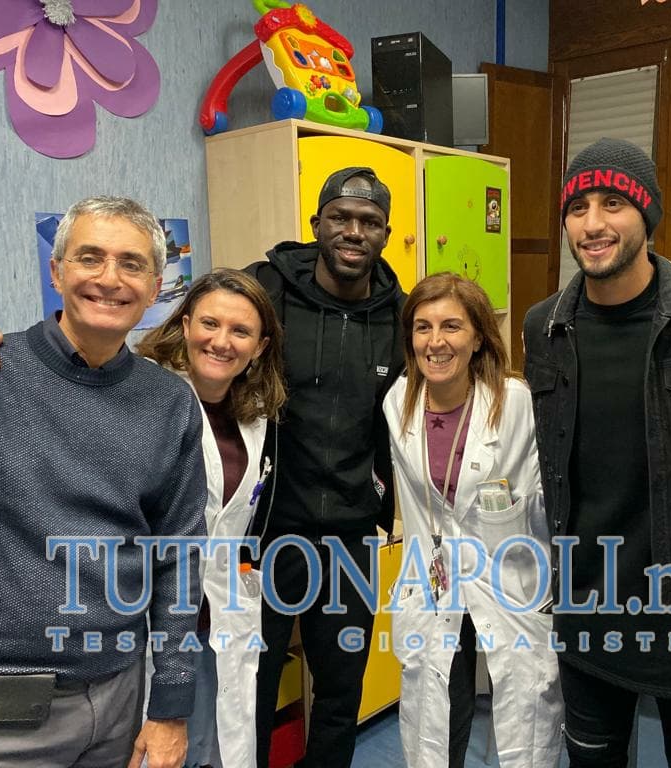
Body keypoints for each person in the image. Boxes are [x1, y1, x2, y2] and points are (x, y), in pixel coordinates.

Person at [0, 167, 406, 768]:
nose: (224, 340)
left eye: (241, 331)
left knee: (285, 704)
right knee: (221, 714)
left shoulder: (386, 324)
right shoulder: (11, 378)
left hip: (309, 553)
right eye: (90, 258)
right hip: (45, 659)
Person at [0, 196, 208, 768]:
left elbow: (179, 557)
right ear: (56, 271)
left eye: (132, 264)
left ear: (154, 286)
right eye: (89, 257)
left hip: (117, 696)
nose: (109, 279)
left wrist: (170, 706)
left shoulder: (169, 402)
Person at [523, 138, 671, 767]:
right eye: (578, 208)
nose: (592, 224)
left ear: (647, 214)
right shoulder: (544, 327)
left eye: (613, 204)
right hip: (587, 608)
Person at [245, 166, 404, 767]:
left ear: (385, 233)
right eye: (341, 217)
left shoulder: (400, 316)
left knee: (340, 689)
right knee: (252, 684)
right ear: (317, 224)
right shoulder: (265, 291)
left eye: (370, 222)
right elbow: (189, 341)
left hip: (350, 535)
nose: (354, 232)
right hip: (266, 532)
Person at [383, 272, 563, 768]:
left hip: (508, 578)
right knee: (435, 719)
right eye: (422, 327)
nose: (435, 341)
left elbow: (549, 495)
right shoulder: (399, 401)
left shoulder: (516, 402)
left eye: (452, 326)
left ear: (479, 336)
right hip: (434, 582)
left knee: (524, 714)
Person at [136, 268, 286, 767]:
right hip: (152, 619)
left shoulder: (255, 413)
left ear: (260, 347)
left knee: (216, 746)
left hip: (221, 615)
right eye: (210, 323)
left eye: (240, 331)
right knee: (158, 749)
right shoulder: (142, 396)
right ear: (185, 325)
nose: (222, 341)